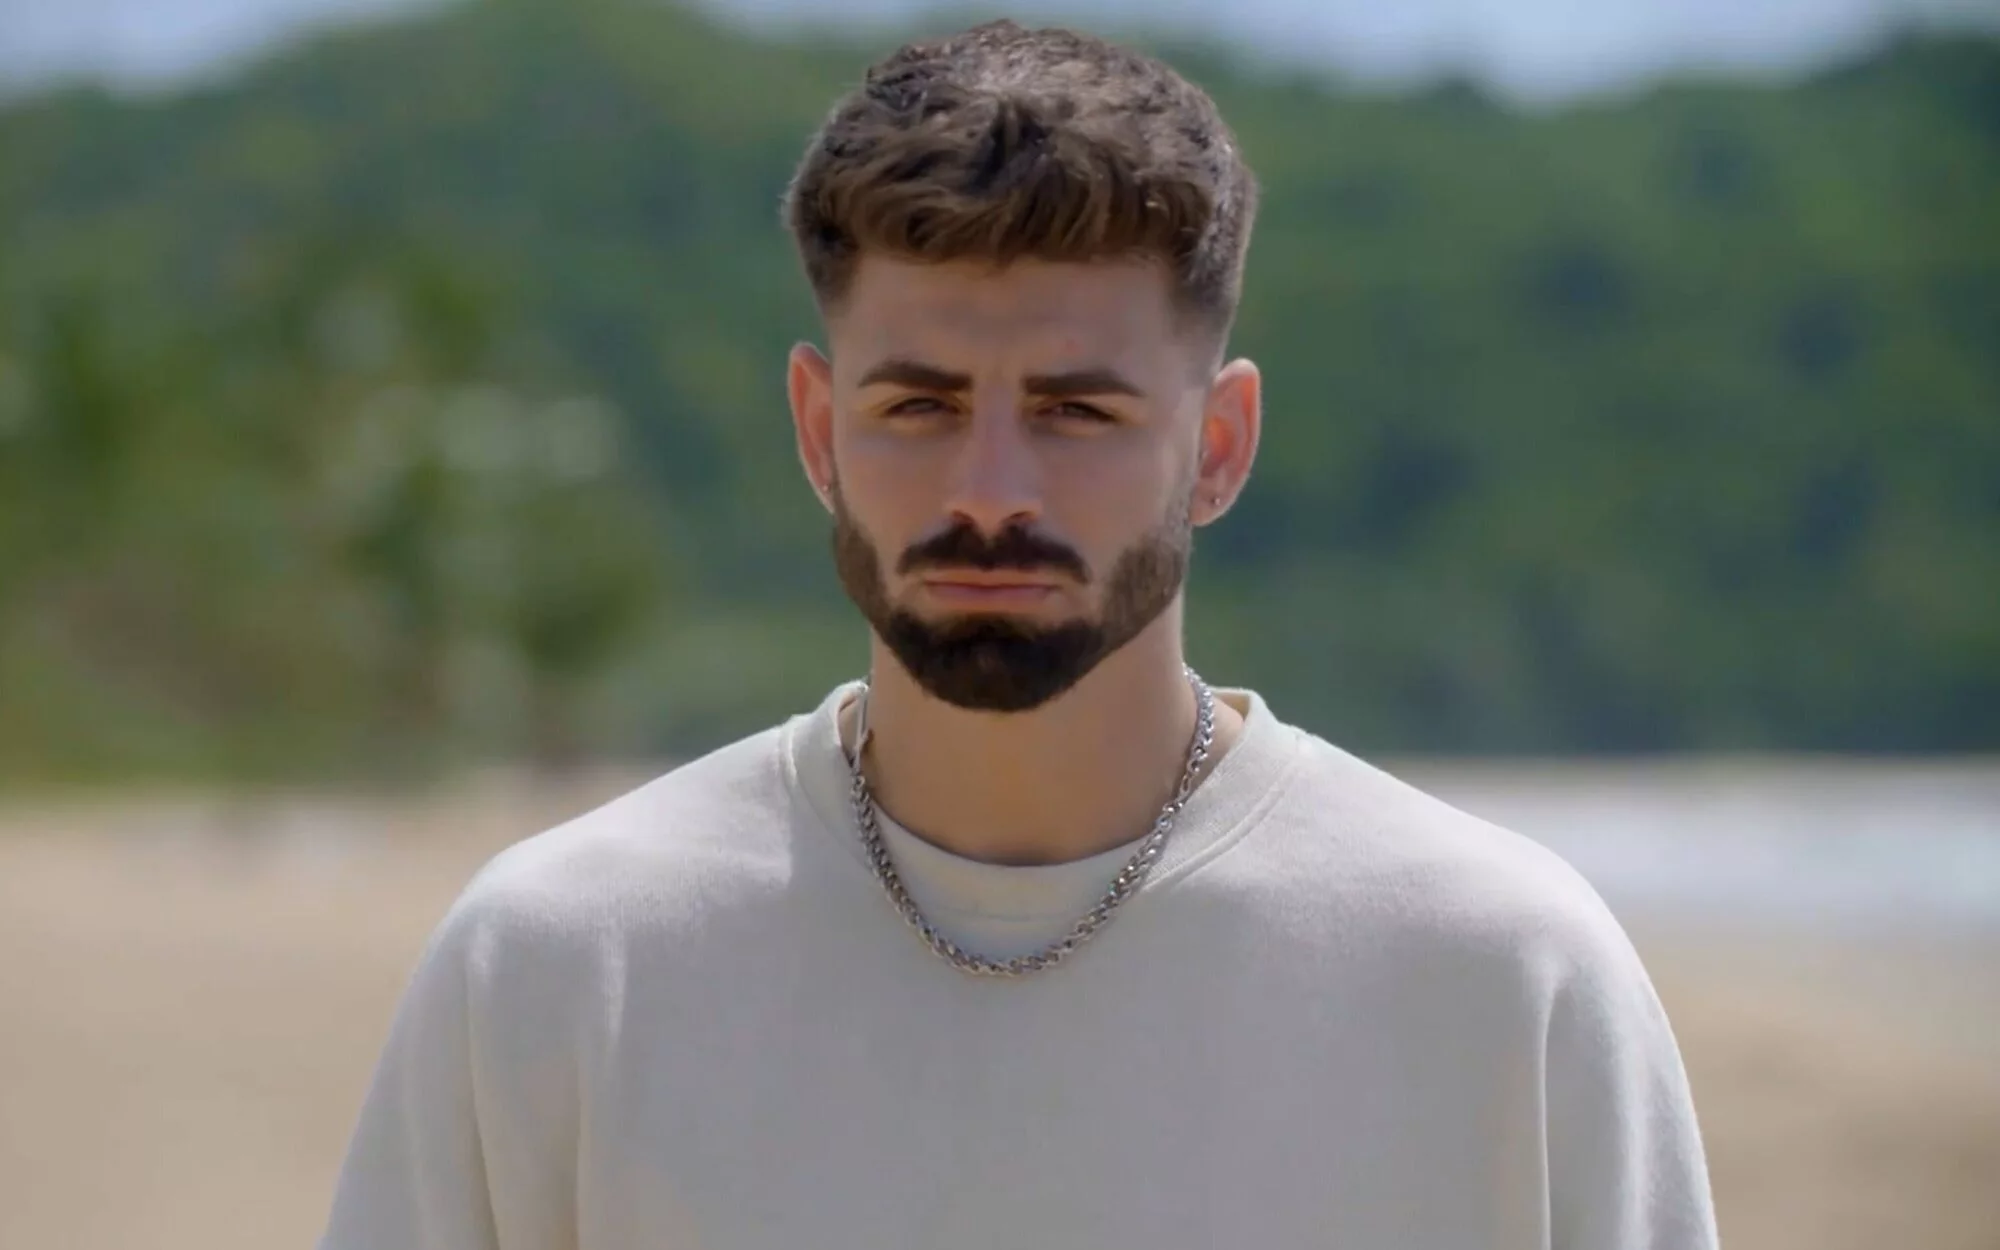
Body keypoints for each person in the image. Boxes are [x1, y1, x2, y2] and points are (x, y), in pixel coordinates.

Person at [319, 18, 1718, 1250]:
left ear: (1219, 444)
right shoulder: (563, 963)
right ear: (820, 430)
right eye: (918, 406)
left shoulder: (1501, 975)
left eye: (1076, 411)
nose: (990, 492)